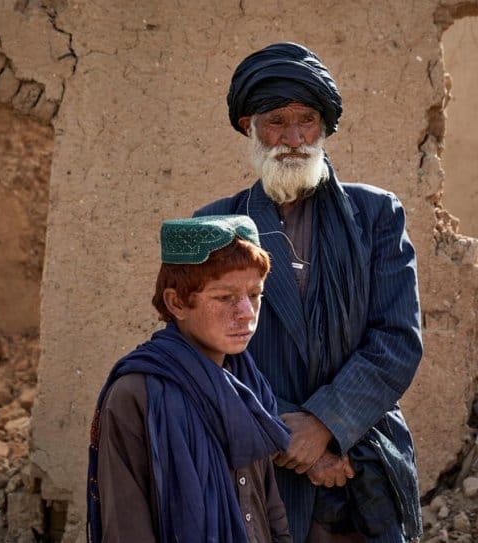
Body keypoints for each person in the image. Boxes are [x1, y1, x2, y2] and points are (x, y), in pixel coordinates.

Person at [195, 42, 424, 543]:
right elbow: (202, 351)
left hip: (360, 456)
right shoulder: (214, 225)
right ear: (248, 126)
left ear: (325, 127)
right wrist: (285, 435)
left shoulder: (376, 215)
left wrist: (325, 424)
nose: (294, 137)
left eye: (307, 120)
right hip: (256, 461)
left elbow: (397, 339)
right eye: (277, 121)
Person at [86, 215, 293, 543]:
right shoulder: (137, 395)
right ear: (177, 302)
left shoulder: (248, 385)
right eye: (225, 298)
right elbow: (127, 527)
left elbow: (268, 508)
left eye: (254, 295)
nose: (246, 312)